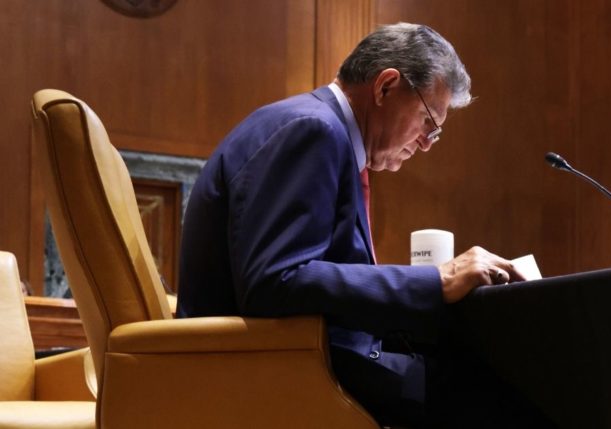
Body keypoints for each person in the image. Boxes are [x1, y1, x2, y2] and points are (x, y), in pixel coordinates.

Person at [178, 22, 541, 427]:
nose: (424, 143)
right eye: (426, 122)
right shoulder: (314, 129)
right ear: (386, 87)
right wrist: (435, 281)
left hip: (305, 358)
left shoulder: (319, 129)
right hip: (279, 371)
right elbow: (273, 282)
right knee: (521, 398)